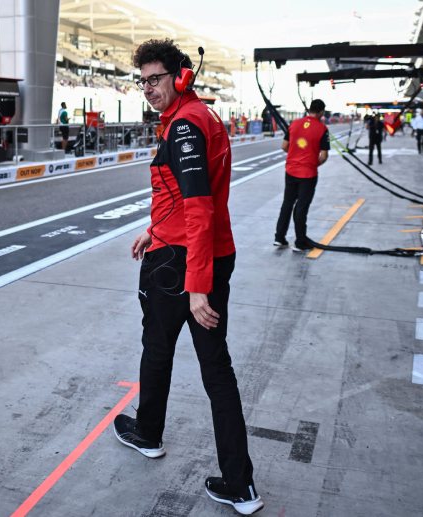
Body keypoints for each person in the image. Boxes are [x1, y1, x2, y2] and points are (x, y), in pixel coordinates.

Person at [113, 39, 263, 516]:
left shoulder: (184, 127)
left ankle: (149, 433)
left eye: (155, 79)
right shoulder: (204, 117)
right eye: (143, 81)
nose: (148, 89)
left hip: (182, 265)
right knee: (217, 369)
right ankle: (240, 486)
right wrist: (153, 229)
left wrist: (196, 284)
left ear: (181, 77)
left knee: (158, 350)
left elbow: (198, 207)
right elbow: (187, 198)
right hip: (204, 252)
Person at [274, 99, 329, 252]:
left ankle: (279, 238)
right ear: (321, 112)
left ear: (309, 109)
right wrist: (311, 162)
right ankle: (299, 242)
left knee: (287, 203)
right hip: (308, 174)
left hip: (290, 171)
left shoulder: (294, 124)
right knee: (301, 207)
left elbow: (284, 146)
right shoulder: (322, 129)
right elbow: (323, 156)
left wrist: (295, 157)